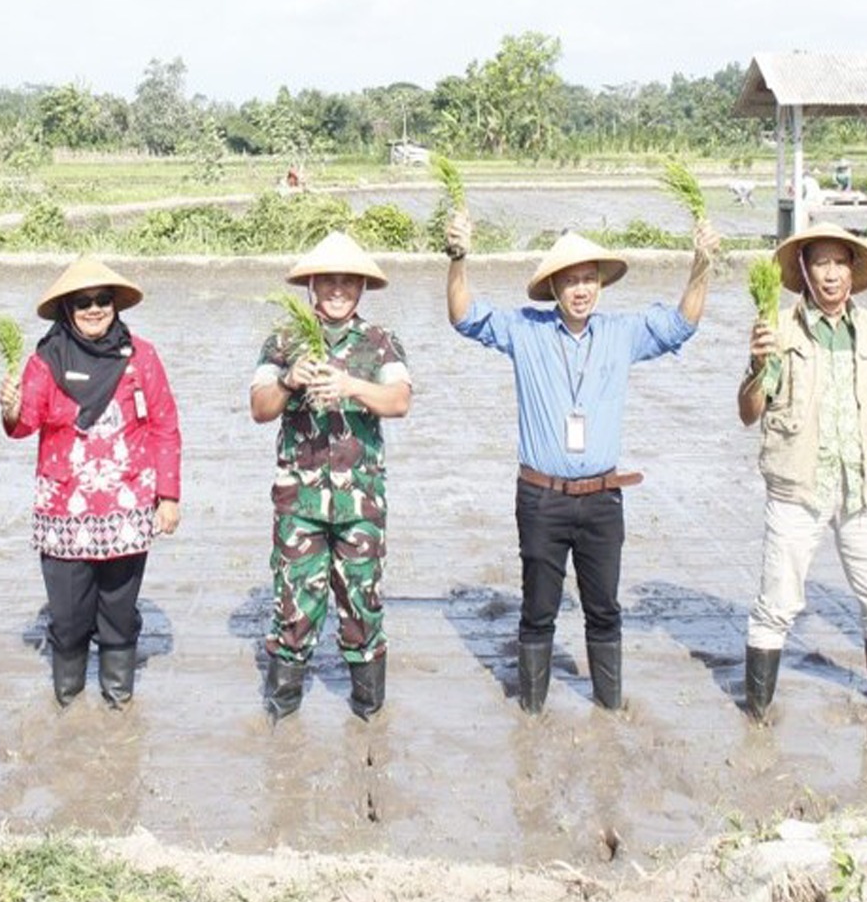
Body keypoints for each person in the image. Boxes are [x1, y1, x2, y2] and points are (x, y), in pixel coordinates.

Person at [447, 214, 718, 713]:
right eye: (570, 280)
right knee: (538, 611)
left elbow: (683, 325)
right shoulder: (523, 330)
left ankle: (609, 713)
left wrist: (700, 265)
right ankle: (531, 716)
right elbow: (464, 317)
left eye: (589, 279)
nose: (581, 289)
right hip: (541, 497)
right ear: (553, 286)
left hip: (601, 499)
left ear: (600, 284)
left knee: (604, 611)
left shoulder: (622, 333)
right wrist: (459, 258)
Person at [736, 224, 867, 720]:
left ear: (853, 271)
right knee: (777, 605)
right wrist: (757, 364)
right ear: (804, 270)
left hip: (861, 489)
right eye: (821, 262)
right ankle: (756, 714)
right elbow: (749, 411)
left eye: (841, 262)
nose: (832, 273)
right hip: (799, 489)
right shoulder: (778, 331)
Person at [0, 257, 181, 707]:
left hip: (127, 507)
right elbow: (25, 425)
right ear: (67, 309)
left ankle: (118, 706)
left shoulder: (142, 356)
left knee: (118, 615)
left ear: (116, 305)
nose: (95, 309)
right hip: (64, 509)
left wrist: (169, 496)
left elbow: (165, 426)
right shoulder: (44, 360)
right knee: (68, 617)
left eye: (103, 300)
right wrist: (10, 407)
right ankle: (69, 704)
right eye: (84, 303)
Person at [251, 230, 411, 721]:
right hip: (298, 504)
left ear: (361, 287)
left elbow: (399, 400)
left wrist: (350, 386)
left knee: (362, 609)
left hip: (360, 504)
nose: (338, 290)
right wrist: (287, 379)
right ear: (312, 286)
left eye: (348, 282)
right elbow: (259, 408)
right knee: (294, 611)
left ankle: (369, 717)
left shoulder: (380, 342)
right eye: (328, 282)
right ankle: (283, 715)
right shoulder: (284, 341)